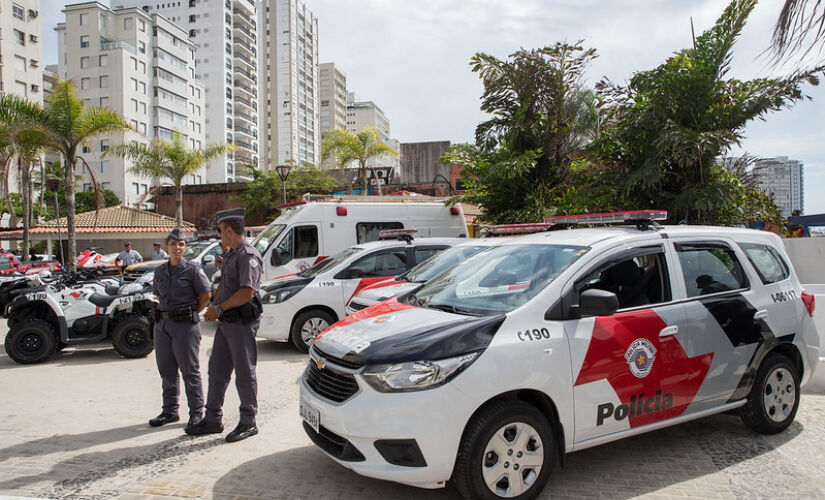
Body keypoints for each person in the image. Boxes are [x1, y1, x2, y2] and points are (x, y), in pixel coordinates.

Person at [186, 208, 263, 443]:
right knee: (217, 371)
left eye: (221, 231)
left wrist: (219, 308)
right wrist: (214, 304)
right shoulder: (231, 254)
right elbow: (224, 286)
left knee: (244, 372)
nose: (220, 236)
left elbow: (246, 292)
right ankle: (212, 419)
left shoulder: (248, 256)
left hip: (241, 322)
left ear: (229, 230)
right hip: (227, 322)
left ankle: (248, 421)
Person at [149, 228, 211, 431]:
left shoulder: (192, 269)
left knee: (190, 371)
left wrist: (190, 313)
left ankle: (196, 413)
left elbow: (205, 296)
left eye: (181, 244)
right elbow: (158, 295)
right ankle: (170, 410)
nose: (177, 247)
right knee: (166, 370)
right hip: (163, 326)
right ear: (166, 246)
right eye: (174, 244)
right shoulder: (159, 271)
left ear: (185, 247)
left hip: (185, 326)